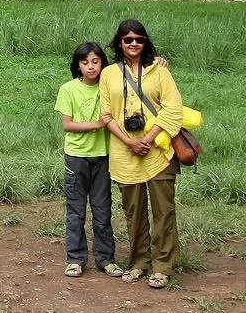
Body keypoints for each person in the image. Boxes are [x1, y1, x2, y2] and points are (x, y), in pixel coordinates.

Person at [100, 17, 184, 290]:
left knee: (163, 211)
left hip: (158, 151)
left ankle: (163, 266)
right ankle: (139, 262)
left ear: (145, 42)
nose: (133, 43)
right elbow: (106, 114)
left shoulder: (159, 70)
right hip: (125, 152)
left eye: (139, 39)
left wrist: (147, 139)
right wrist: (129, 141)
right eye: (128, 39)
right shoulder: (108, 74)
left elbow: (173, 108)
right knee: (133, 212)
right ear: (119, 43)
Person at [54, 42, 122, 278]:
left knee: (103, 210)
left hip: (102, 156)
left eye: (95, 61)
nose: (91, 67)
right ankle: (75, 259)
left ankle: (106, 259)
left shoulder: (109, 87)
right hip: (76, 157)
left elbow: (131, 71)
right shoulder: (68, 89)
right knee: (76, 211)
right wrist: (97, 125)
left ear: (103, 63)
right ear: (78, 65)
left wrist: (157, 61)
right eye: (85, 62)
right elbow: (67, 125)